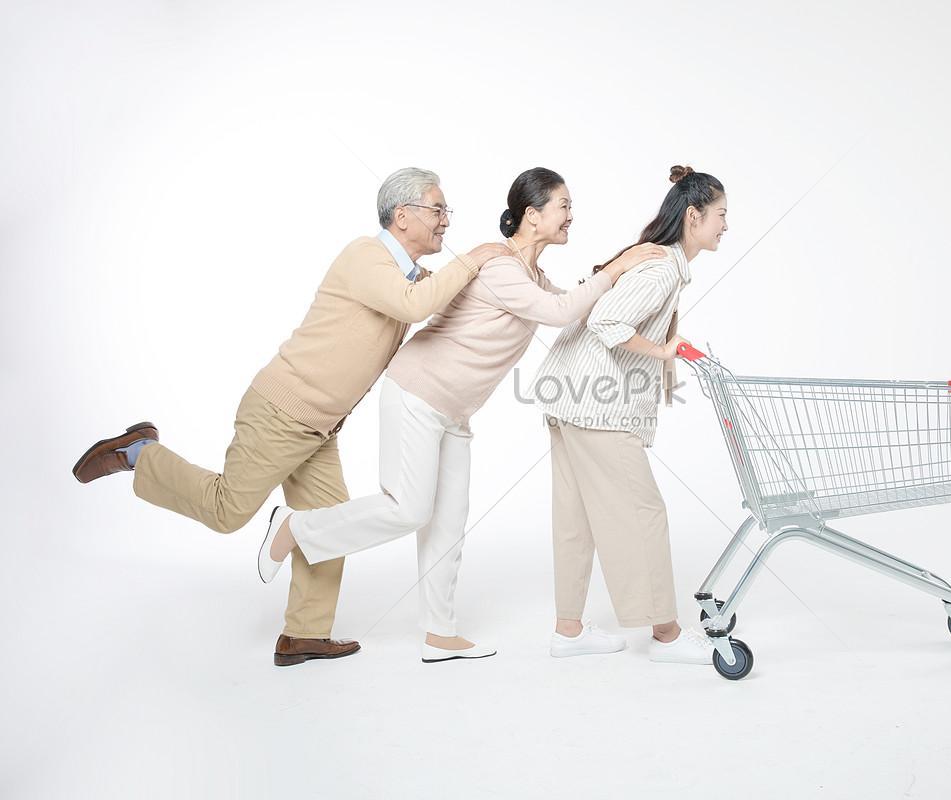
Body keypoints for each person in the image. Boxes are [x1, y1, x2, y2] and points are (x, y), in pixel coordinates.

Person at [71, 168, 508, 666]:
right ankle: (138, 452)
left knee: (330, 526)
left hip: (319, 428)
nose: (446, 221)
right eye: (439, 209)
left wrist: (514, 270)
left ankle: (305, 634)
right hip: (281, 411)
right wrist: (474, 258)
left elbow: (446, 299)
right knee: (226, 511)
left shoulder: (411, 276)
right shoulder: (365, 256)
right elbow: (414, 304)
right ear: (402, 215)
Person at [257, 167, 666, 663]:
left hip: (454, 410)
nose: (570, 215)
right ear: (532, 216)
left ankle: (440, 632)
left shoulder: (531, 275)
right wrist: (619, 267)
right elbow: (559, 313)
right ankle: (296, 529)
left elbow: (572, 306)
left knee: (449, 523)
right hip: (417, 393)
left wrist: (623, 270)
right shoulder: (499, 268)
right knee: (408, 509)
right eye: (563, 205)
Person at [533, 165, 728, 664]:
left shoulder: (661, 263)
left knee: (576, 518)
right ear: (693, 216)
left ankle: (568, 632)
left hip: (568, 398)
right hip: (598, 407)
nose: (725, 225)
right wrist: (662, 352)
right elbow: (606, 320)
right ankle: (665, 636)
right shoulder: (663, 267)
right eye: (721, 215)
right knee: (643, 513)